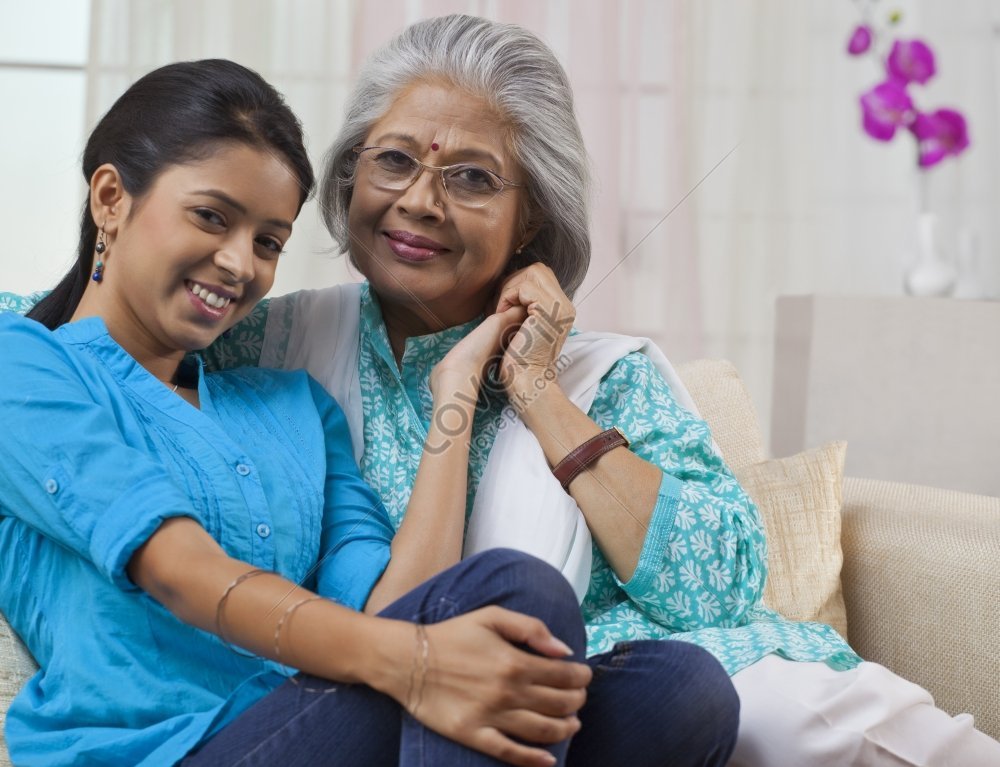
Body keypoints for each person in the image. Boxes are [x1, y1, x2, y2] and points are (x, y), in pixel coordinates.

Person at [193, 14, 1000, 766]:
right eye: (394, 160)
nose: (419, 201)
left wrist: (539, 391)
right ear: (347, 177)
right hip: (413, 692)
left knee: (740, 706)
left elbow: (719, 585)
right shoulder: (269, 341)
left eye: (472, 178)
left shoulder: (606, 374)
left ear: (532, 222)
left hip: (669, 687)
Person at [0, 58, 612, 767]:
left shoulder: (293, 406)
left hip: (313, 734)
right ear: (111, 197)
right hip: (164, 754)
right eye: (211, 217)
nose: (238, 264)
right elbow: (180, 569)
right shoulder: (27, 367)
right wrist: (414, 661)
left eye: (267, 242)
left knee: (675, 688)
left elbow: (397, 604)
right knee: (517, 593)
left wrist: (460, 384)